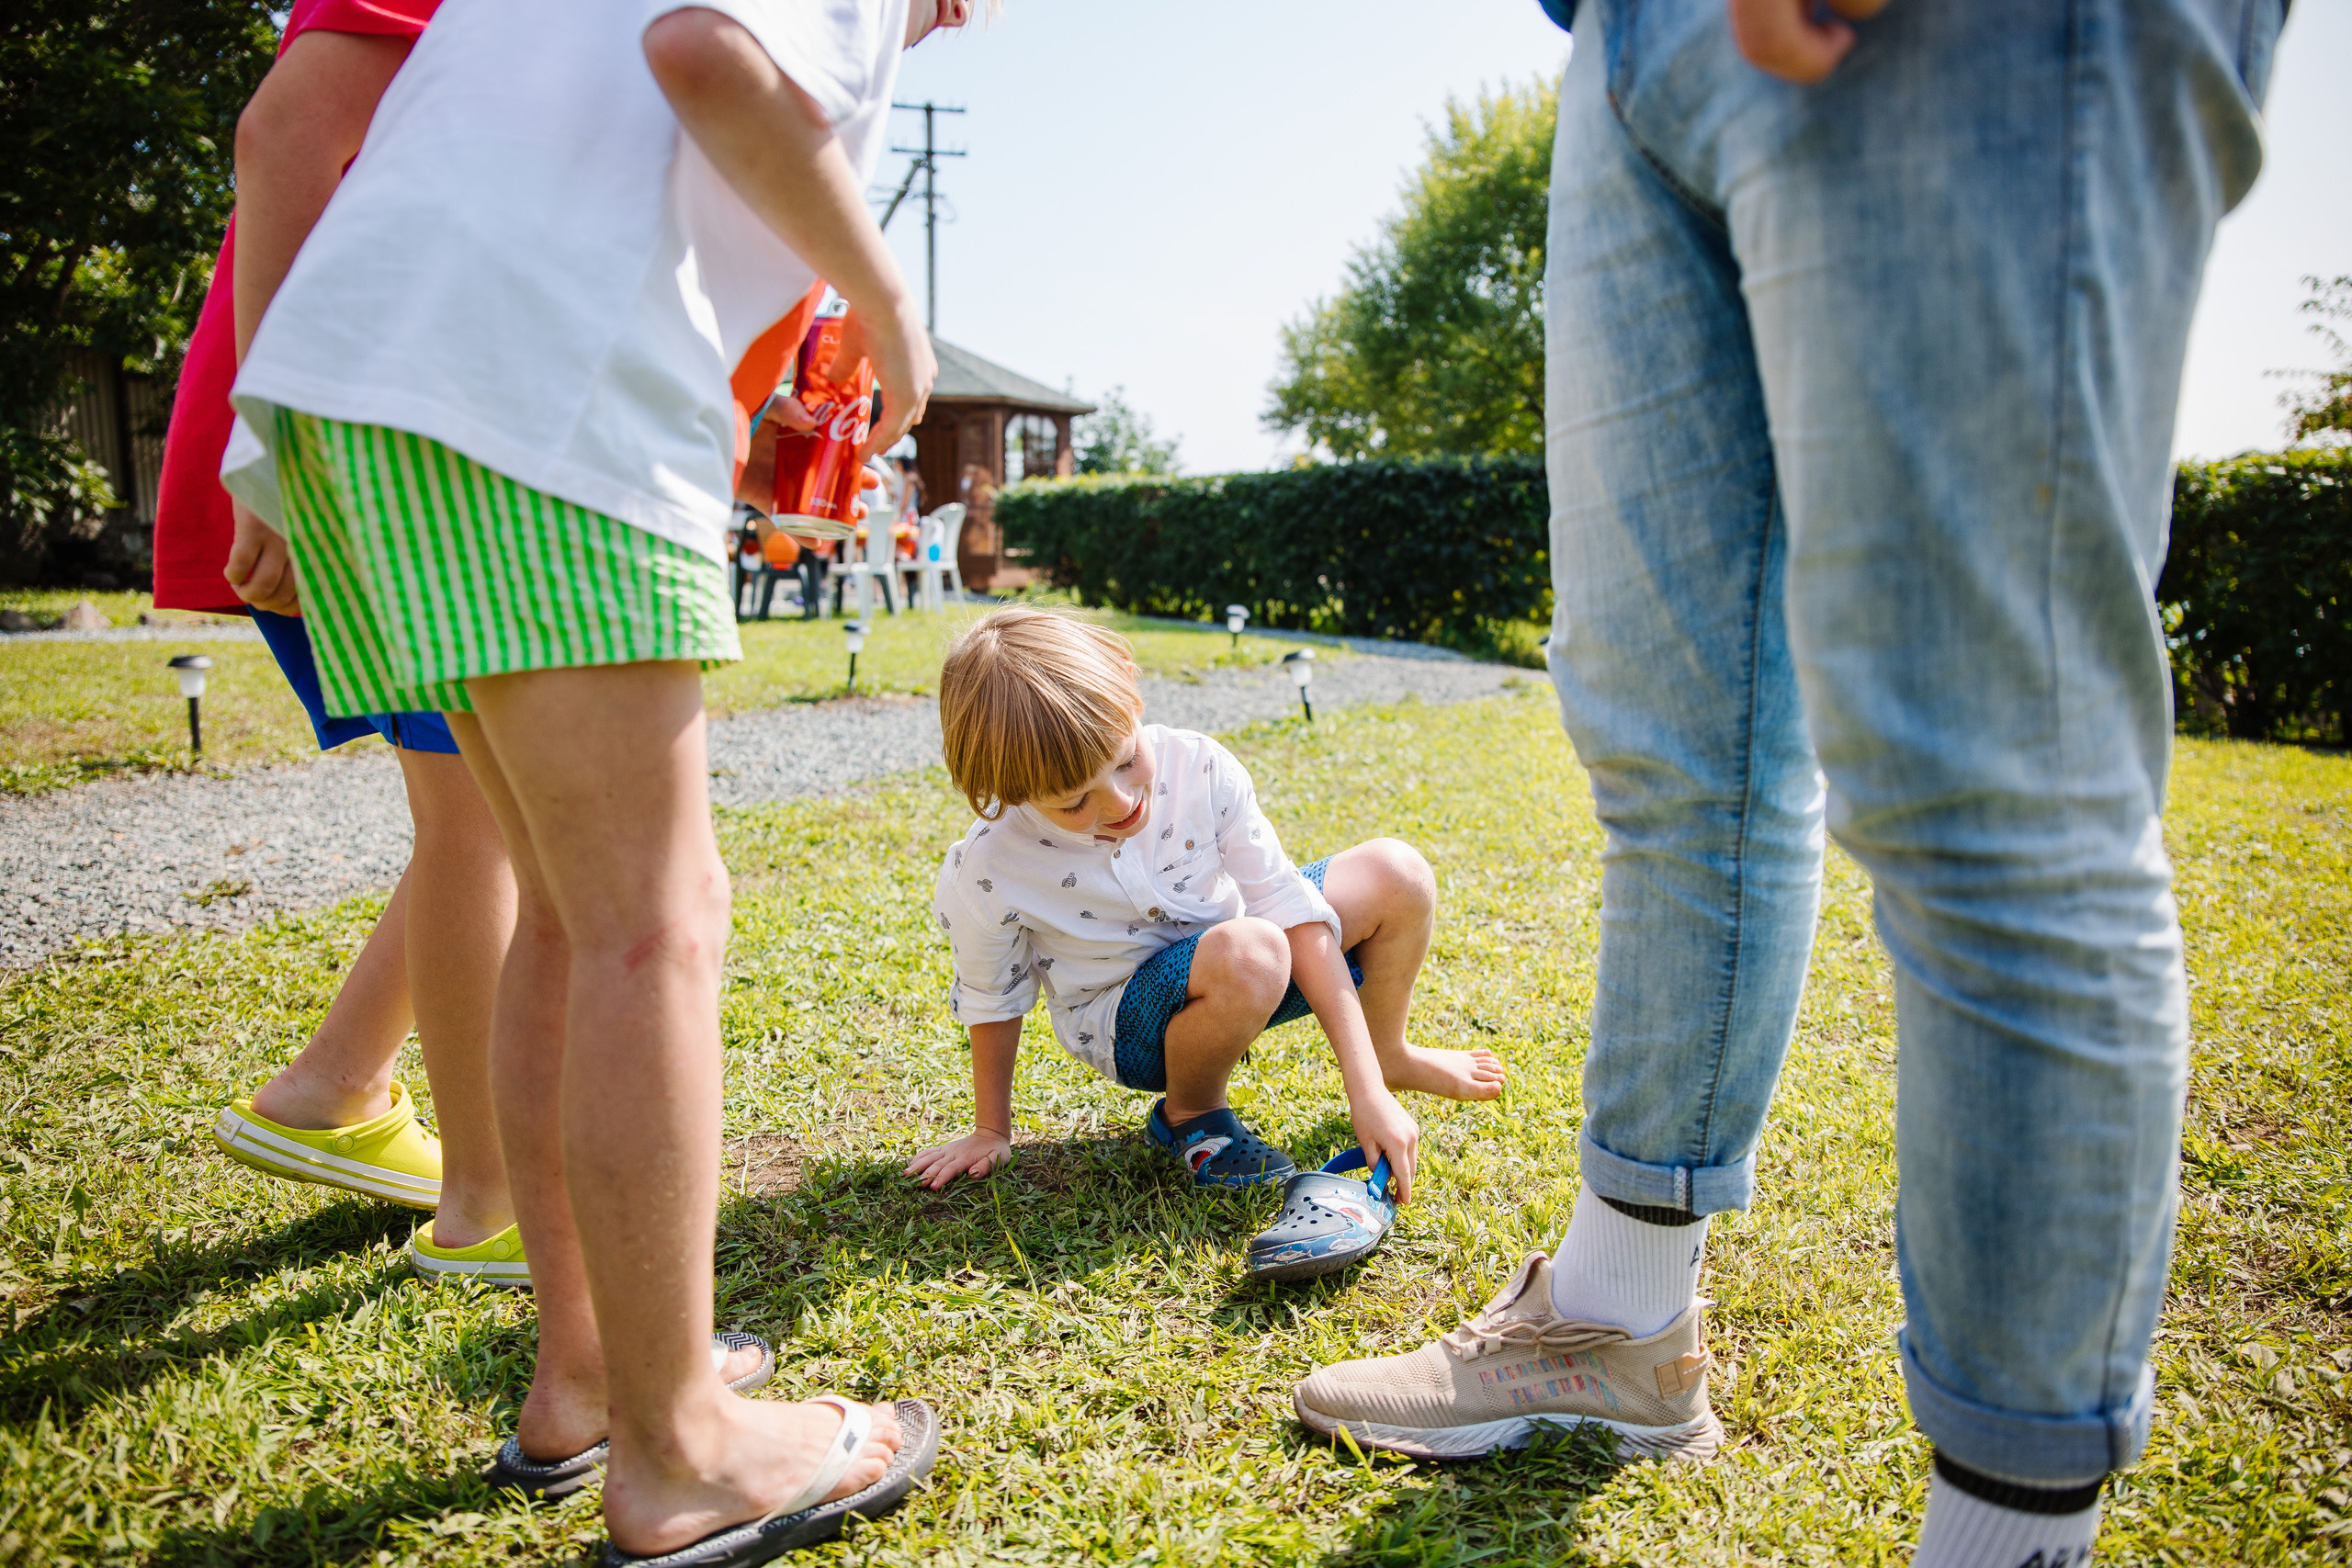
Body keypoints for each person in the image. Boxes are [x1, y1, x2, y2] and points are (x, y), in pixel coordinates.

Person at [1295, 1, 2280, 1564]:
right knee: (1674, 750)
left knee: (1991, 780)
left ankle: (2007, 1535)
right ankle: (1618, 1324)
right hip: (1627, 40)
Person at [219, 0, 974, 1559]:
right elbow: (710, 52)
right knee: (651, 916)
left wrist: (266, 456)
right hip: (530, 377)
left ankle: (586, 1375)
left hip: (365, 375)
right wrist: (897, 310)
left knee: (566, 910)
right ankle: (684, 1445)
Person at [153, 0, 523, 1286]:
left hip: (393, 437)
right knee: (481, 809)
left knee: (480, 800)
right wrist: (283, 459)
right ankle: (490, 1197)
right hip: (348, 451)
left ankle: (334, 1085)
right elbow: (285, 131)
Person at [905, 607, 1505, 1202]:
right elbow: (993, 995)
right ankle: (1191, 1110)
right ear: (1007, 790)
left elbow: (1288, 907)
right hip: (1132, 1023)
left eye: (1125, 760)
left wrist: (1365, 1084)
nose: (1119, 803)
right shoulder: (989, 866)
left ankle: (1389, 1053)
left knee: (1394, 873)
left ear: (1131, 690)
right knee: (1255, 948)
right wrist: (991, 1129)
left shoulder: (1200, 767)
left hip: (1247, 964)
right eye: (1073, 802)